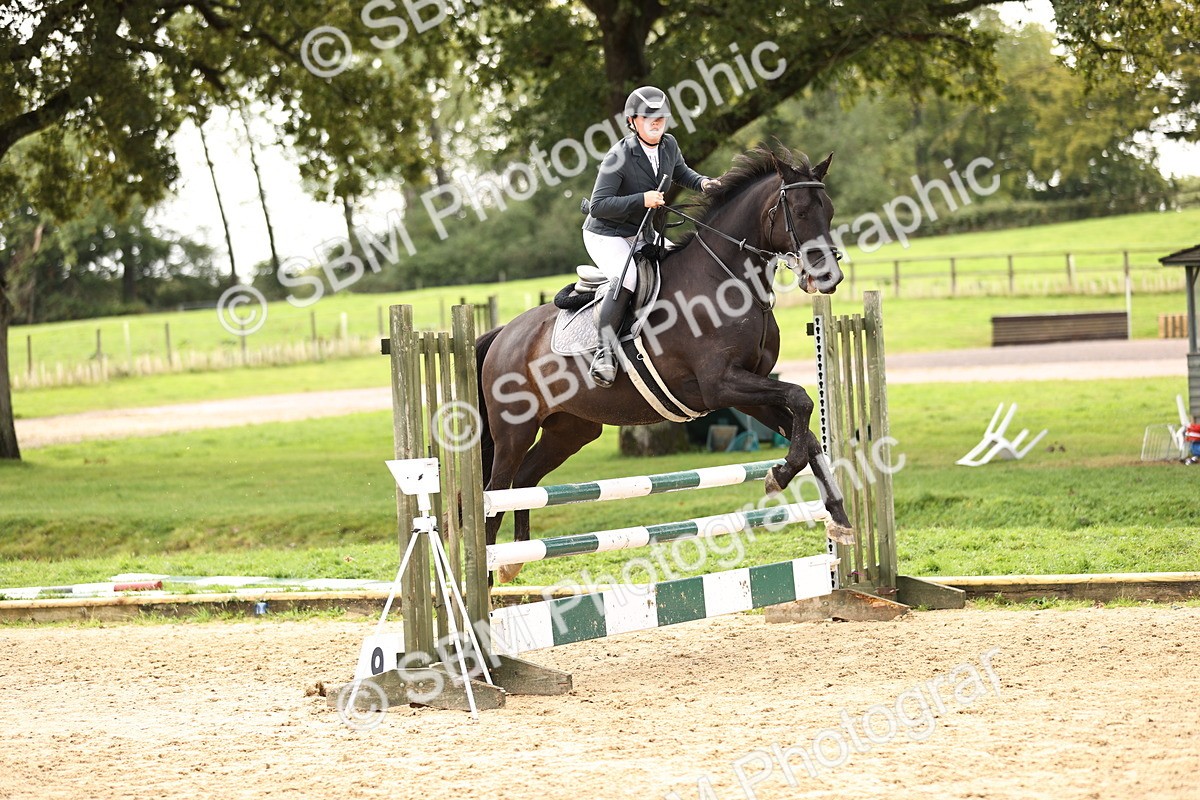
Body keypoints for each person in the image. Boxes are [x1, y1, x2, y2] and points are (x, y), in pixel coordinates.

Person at [581, 86, 720, 387]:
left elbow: (682, 173)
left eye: (661, 118)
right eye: (649, 118)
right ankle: (603, 353)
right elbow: (598, 206)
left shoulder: (668, 145)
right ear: (633, 122)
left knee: (682, 265)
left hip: (642, 231)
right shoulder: (617, 157)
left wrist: (705, 183)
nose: (657, 124)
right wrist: (640, 199)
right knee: (629, 278)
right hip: (606, 234)